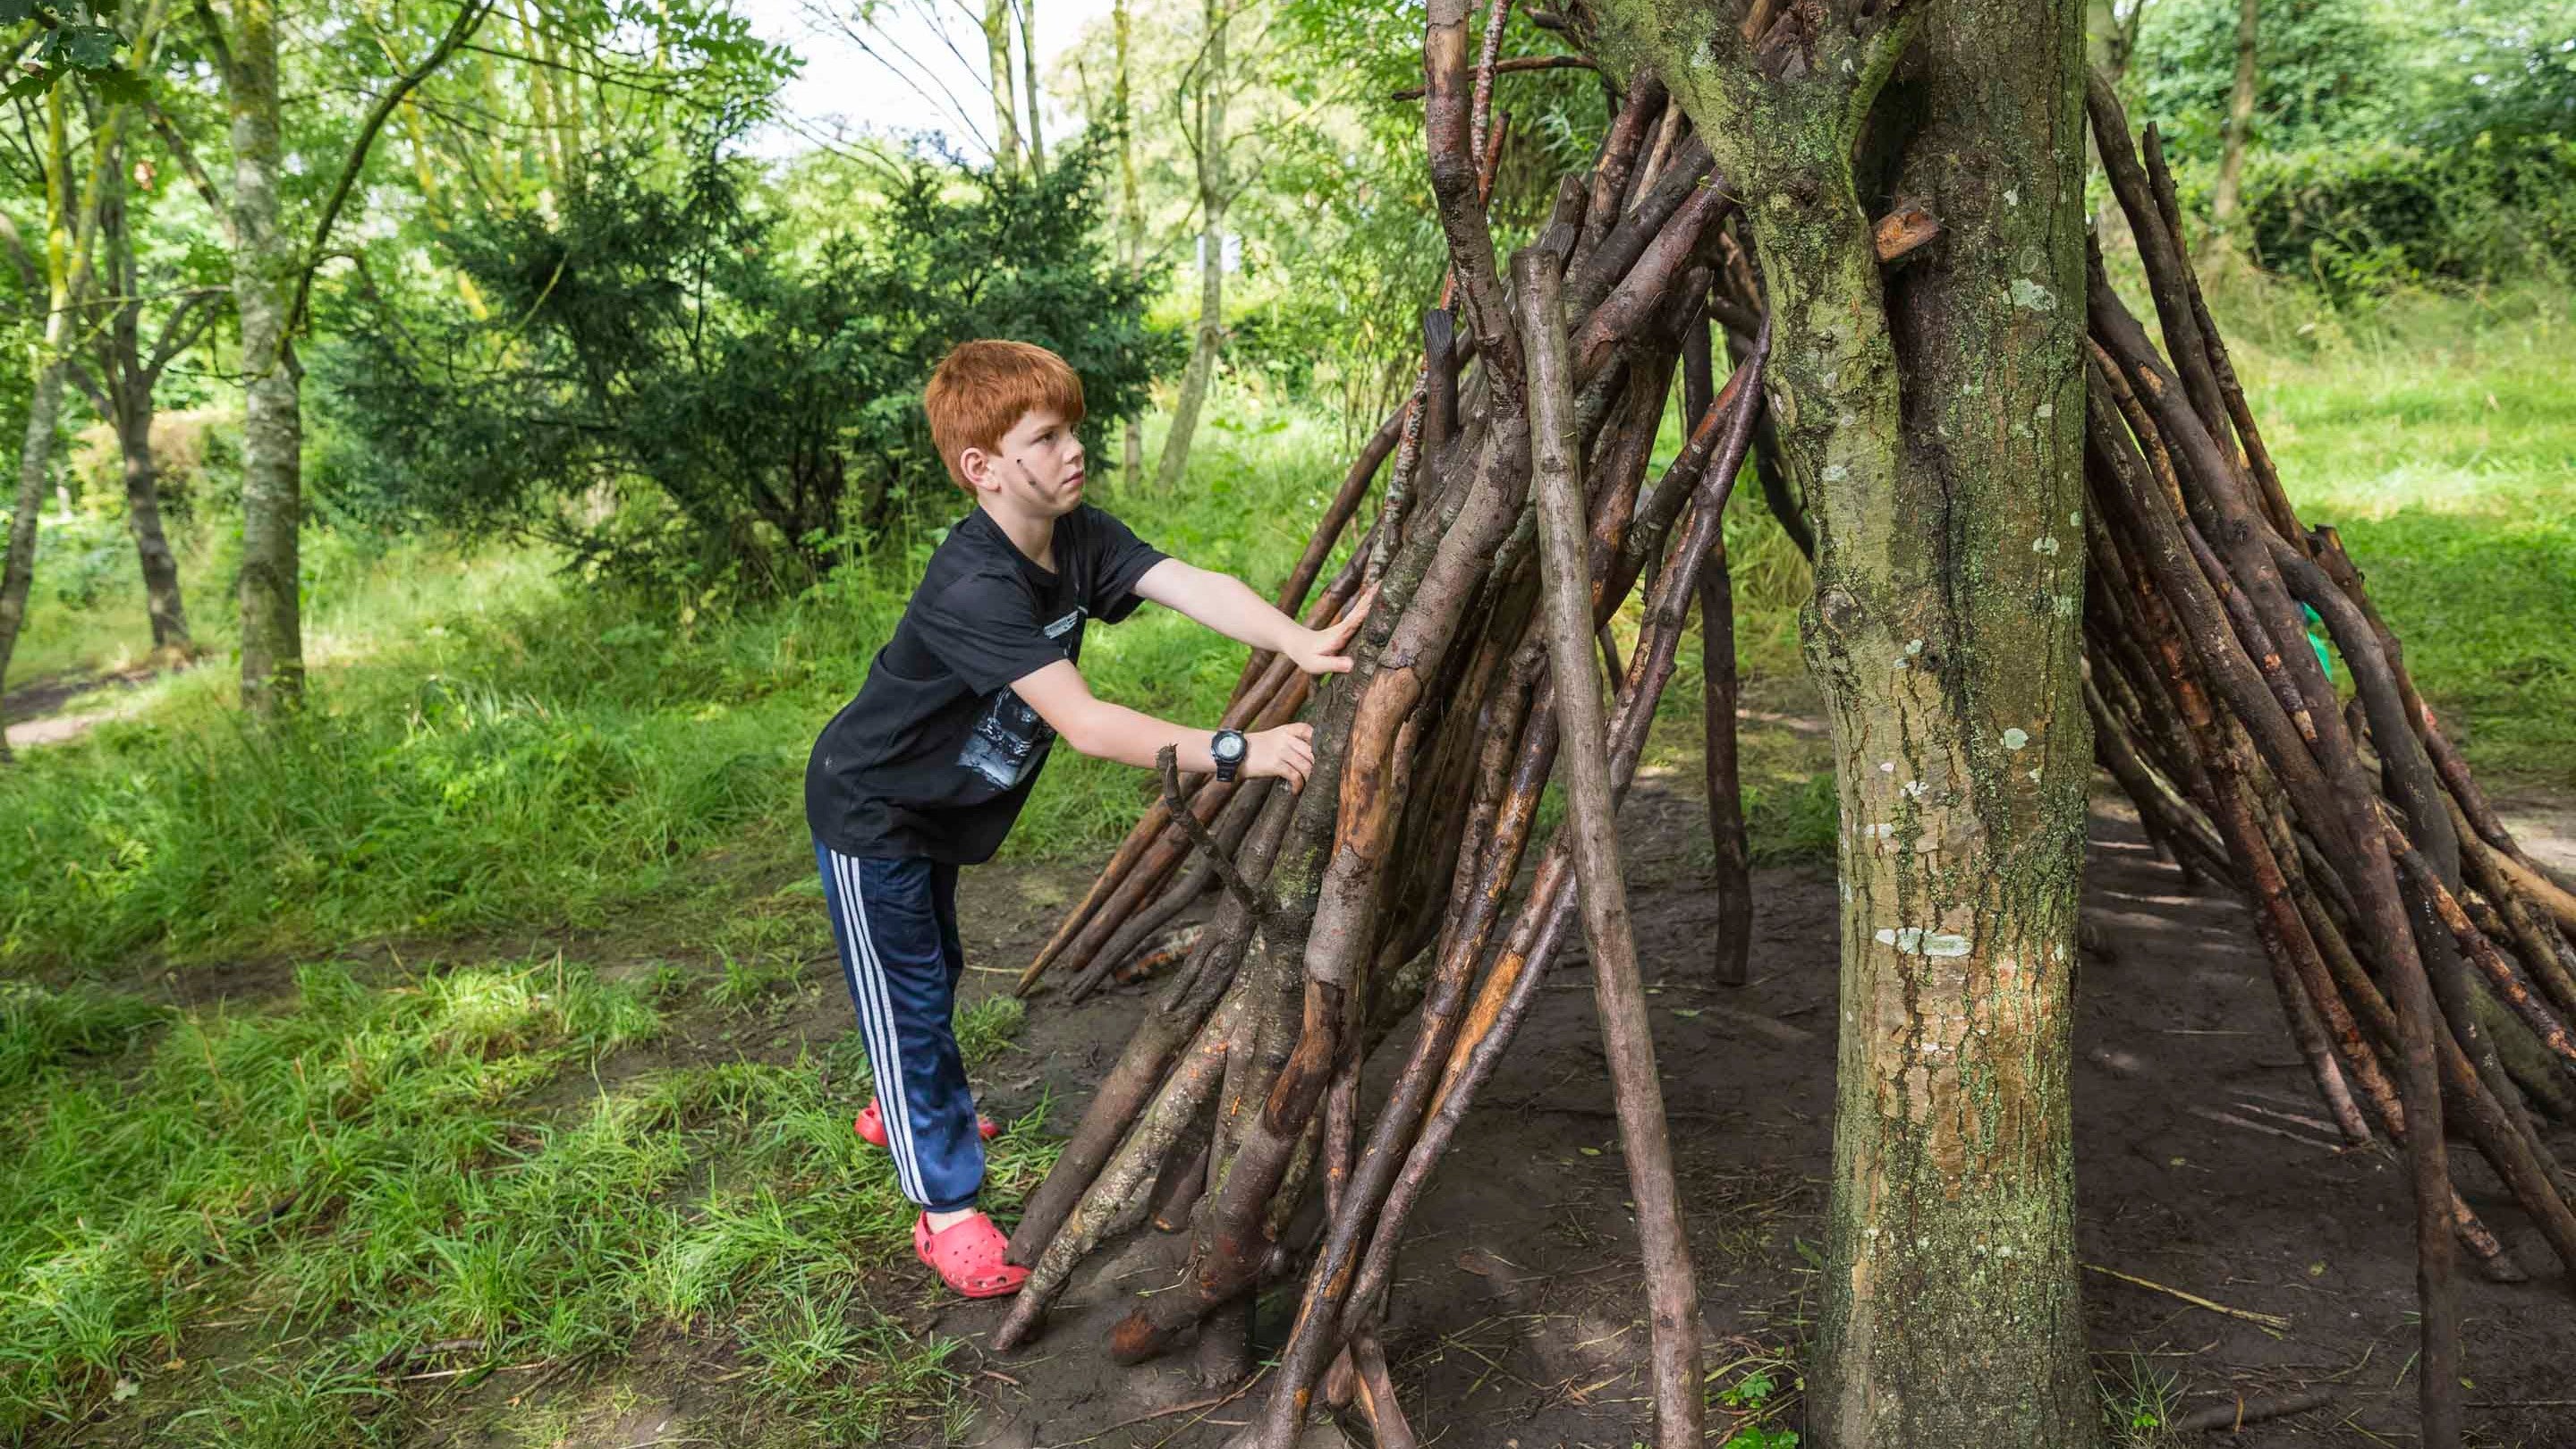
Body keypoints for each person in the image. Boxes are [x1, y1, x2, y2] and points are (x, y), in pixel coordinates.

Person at [805, 339, 1372, 1299]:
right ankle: (943, 1205)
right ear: (983, 469)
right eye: (1047, 437)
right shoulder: (972, 584)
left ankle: (908, 1101)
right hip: (876, 809)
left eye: (1073, 429)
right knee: (905, 994)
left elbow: (1188, 584)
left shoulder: (1076, 537)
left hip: (942, 805)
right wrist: (1237, 749)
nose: (1075, 450)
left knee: (930, 966)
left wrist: (1298, 640)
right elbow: (1086, 722)